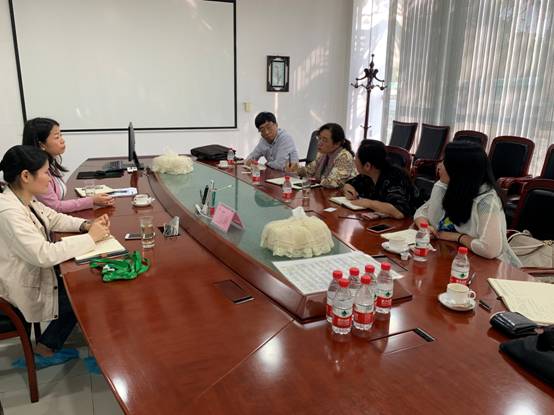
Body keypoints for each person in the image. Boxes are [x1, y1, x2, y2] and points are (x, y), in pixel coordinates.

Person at [0, 145, 111, 368]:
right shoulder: (9, 211)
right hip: (19, 284)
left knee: (83, 279)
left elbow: (54, 218)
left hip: (33, 270)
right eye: (45, 173)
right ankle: (48, 348)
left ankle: (53, 342)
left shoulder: (23, 197)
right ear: (25, 176)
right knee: (81, 289)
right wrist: (91, 238)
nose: (50, 179)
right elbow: (43, 254)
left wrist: (87, 225)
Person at [414, 141, 521, 266]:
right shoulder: (445, 186)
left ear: (459, 169)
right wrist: (426, 227)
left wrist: (457, 237)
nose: (439, 166)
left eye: (445, 162)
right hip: (446, 255)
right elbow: (421, 212)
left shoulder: (486, 201)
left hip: (484, 267)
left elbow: (490, 249)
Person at [22, 117, 114, 212]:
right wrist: (92, 200)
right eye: (57, 137)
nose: (62, 140)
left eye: (61, 135)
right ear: (41, 145)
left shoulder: (51, 163)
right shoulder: (37, 172)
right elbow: (55, 207)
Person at [343, 139, 417, 219]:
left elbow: (399, 212)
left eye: (356, 158)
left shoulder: (394, 177)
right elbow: (350, 183)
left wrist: (368, 203)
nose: (354, 161)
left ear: (367, 166)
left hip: (410, 222)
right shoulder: (369, 175)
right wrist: (349, 189)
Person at [294, 123, 356, 188]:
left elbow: (333, 183)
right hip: (324, 191)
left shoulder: (344, 156)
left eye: (324, 140)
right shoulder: (323, 154)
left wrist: (315, 180)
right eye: (319, 138)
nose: (319, 143)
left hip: (339, 193)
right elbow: (309, 171)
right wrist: (296, 169)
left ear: (337, 143)